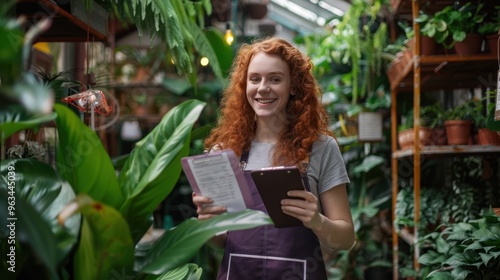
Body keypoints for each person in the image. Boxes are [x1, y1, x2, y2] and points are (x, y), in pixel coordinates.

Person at [192, 37, 354, 279]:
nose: (262, 88)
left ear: (294, 87)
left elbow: (345, 239)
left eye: (275, 79)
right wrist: (209, 223)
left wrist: (317, 221)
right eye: (254, 79)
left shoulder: (320, 148)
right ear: (244, 86)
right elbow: (223, 242)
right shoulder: (224, 152)